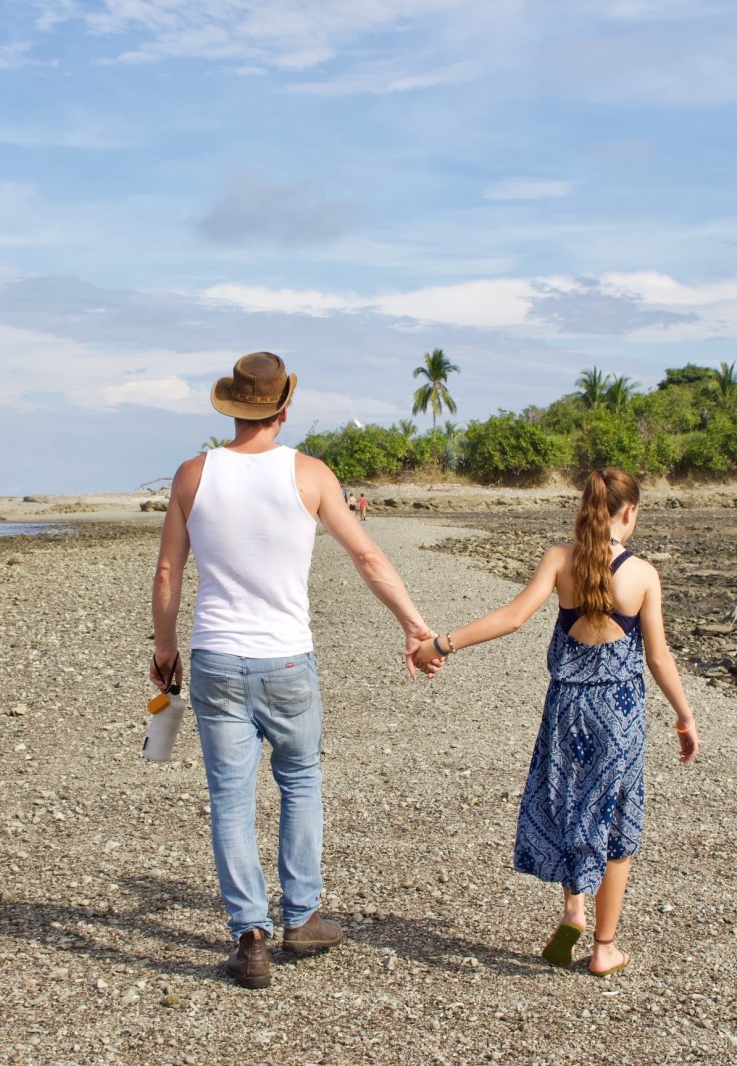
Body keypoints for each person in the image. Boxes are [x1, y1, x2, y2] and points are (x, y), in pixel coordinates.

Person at [151, 351, 440, 990]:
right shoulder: (310, 474)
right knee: (301, 781)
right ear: (284, 410)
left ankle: (249, 936)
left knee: (231, 797)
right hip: (286, 658)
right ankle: (302, 916)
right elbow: (366, 556)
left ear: (232, 409)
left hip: (216, 657)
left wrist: (165, 650)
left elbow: (169, 570)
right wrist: (415, 626)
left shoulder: (193, 474)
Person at [414, 467, 697, 977]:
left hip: (567, 705)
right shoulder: (642, 574)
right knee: (614, 817)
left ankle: (574, 908)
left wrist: (441, 643)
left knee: (569, 799)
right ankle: (604, 948)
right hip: (620, 711)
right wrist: (684, 715)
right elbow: (658, 657)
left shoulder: (561, 560)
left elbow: (512, 617)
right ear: (630, 512)